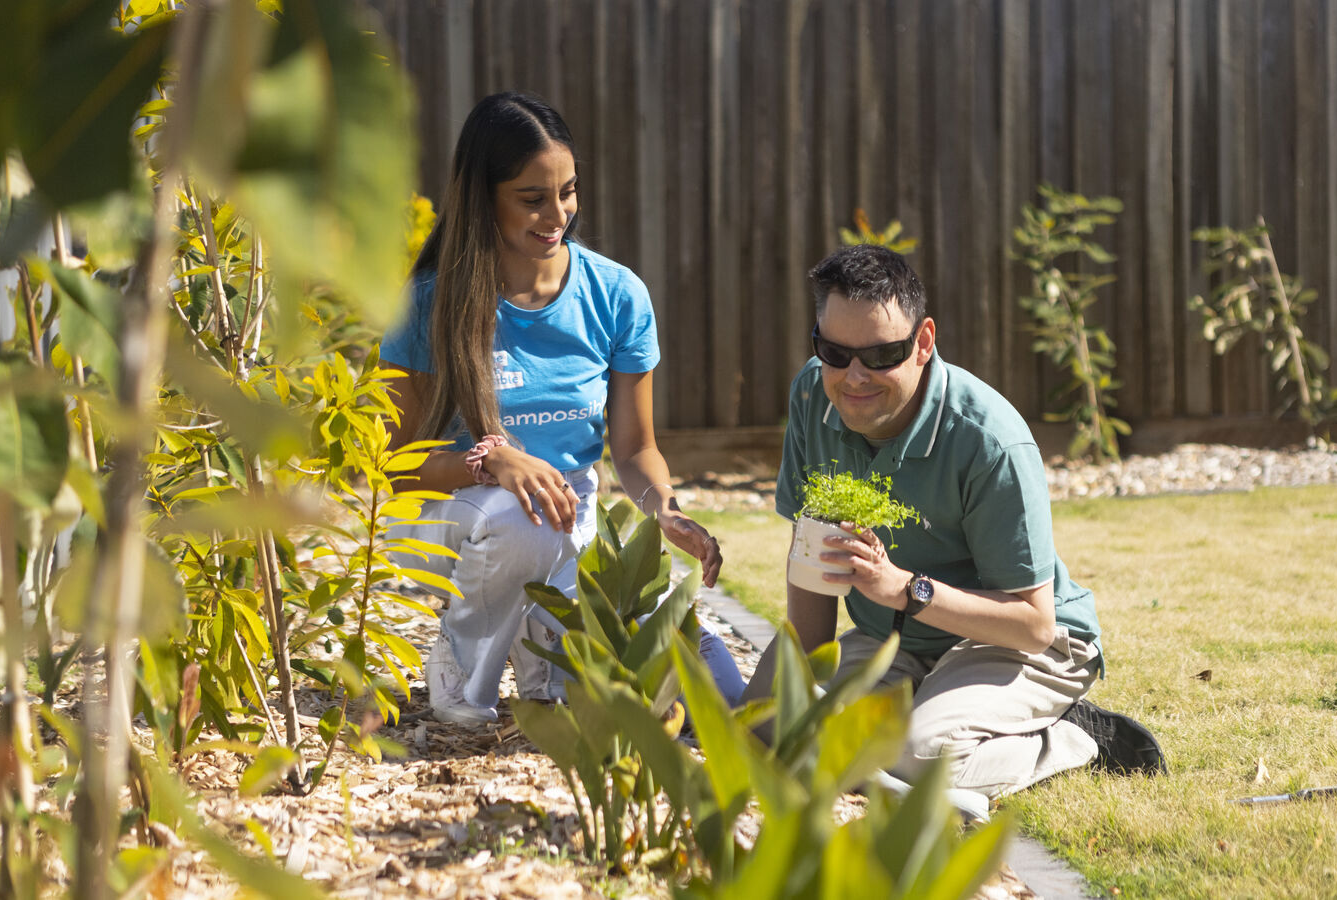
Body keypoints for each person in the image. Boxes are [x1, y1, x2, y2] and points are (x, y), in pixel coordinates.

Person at [742, 244, 1164, 817]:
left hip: (1017, 643)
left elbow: (1034, 623)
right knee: (770, 721)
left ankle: (1072, 739)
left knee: (921, 756)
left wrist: (904, 589)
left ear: (923, 342)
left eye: (882, 355)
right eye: (835, 352)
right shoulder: (814, 394)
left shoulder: (989, 441)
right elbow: (814, 557)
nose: (854, 377)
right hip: (900, 643)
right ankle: (925, 723)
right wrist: (798, 692)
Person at [381, 91, 745, 725]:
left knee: (703, 685)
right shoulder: (427, 304)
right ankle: (462, 669)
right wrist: (490, 462)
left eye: (568, 192)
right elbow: (396, 467)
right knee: (525, 524)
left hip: (568, 516)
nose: (558, 216)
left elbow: (635, 449)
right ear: (484, 198)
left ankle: (539, 644)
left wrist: (665, 508)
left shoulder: (616, 294)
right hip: (450, 513)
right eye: (533, 199)